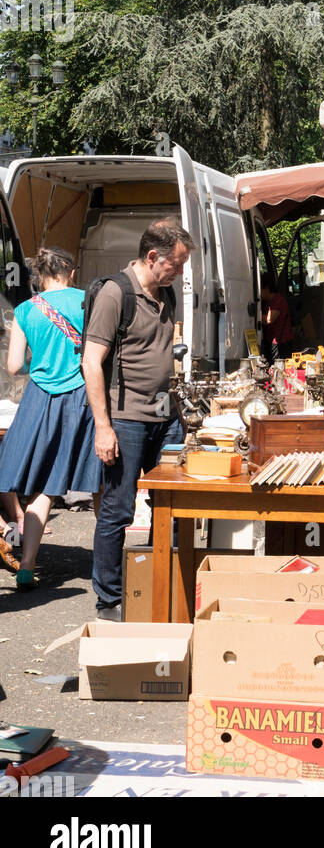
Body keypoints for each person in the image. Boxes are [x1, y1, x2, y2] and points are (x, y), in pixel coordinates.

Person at [83, 219, 194, 620]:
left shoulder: (166, 294)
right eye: (176, 264)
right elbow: (91, 363)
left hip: (167, 419)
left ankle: (159, 583)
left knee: (174, 504)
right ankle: (110, 599)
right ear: (152, 257)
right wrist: (103, 426)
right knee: (118, 509)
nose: (180, 272)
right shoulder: (116, 294)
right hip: (126, 421)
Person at [0, 247, 101, 589]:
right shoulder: (89, 300)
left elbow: (13, 367)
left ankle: (27, 565)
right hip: (85, 396)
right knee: (99, 482)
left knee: (43, 488)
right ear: (71, 271)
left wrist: (38, 365)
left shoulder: (26, 310)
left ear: (40, 276)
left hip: (41, 400)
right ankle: (109, 563)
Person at [260, 273, 293, 362]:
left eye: (260, 289)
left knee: (279, 367)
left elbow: (269, 319)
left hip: (281, 342)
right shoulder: (267, 302)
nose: (259, 293)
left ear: (266, 288)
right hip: (272, 341)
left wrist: (255, 315)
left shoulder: (278, 300)